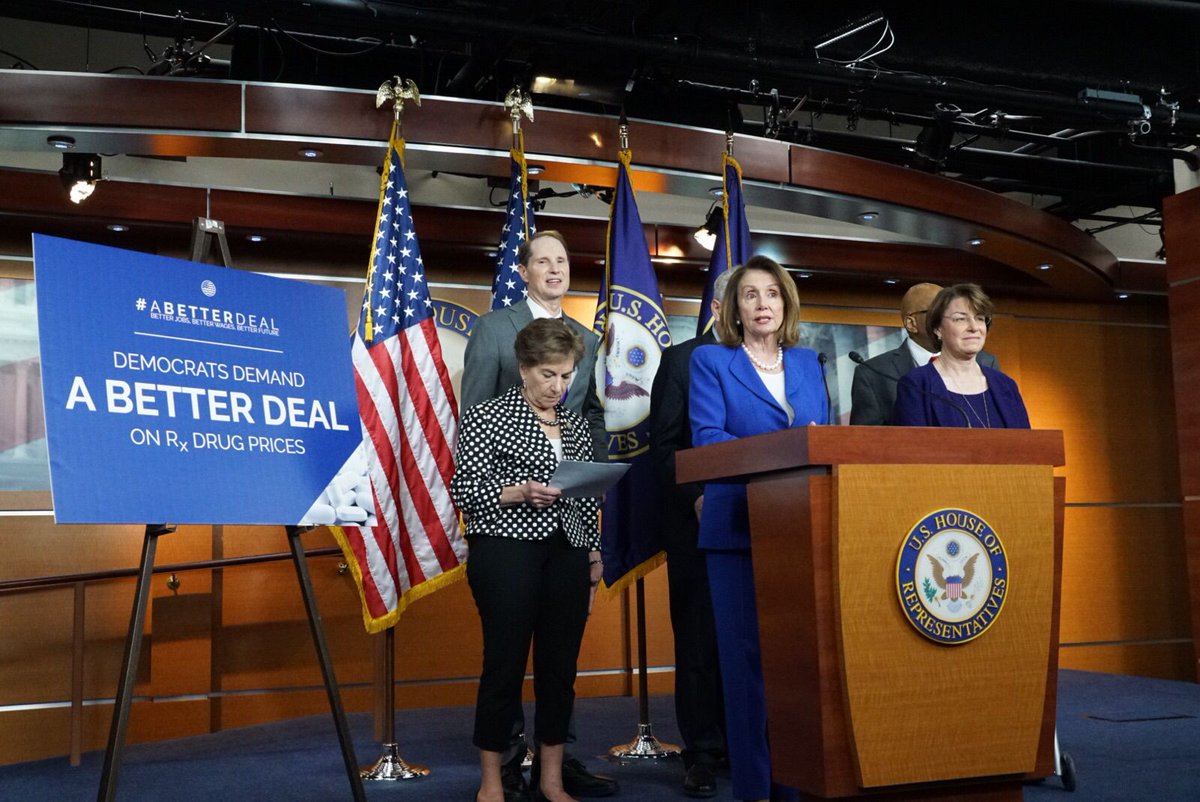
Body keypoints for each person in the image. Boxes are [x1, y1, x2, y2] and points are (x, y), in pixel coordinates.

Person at [460, 230, 615, 800]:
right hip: (506, 548)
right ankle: (496, 779)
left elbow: (587, 471)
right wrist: (519, 491)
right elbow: (466, 481)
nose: (559, 385)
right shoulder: (491, 389)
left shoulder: (577, 401)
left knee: (559, 670)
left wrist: (593, 551)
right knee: (503, 666)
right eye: (549, 375)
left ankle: (552, 777)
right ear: (524, 368)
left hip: (567, 550)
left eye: (565, 376)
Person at [689, 256, 829, 802]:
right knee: (745, 665)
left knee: (796, 664)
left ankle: (793, 786)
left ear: (786, 303)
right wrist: (788, 448)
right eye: (750, 295)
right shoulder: (711, 360)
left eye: (772, 293)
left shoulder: (808, 362)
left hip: (801, 526)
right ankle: (752, 789)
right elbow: (708, 436)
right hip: (737, 527)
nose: (763, 304)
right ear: (734, 309)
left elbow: (822, 437)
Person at [648, 270, 731, 799]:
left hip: (765, 521)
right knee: (700, 642)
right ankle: (700, 752)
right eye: (744, 297)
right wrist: (697, 497)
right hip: (697, 522)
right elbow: (664, 446)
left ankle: (744, 742)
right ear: (719, 307)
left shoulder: (767, 361)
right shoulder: (683, 359)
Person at [849, 282, 998, 425]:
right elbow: (866, 437)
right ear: (911, 324)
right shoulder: (873, 373)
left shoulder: (985, 362)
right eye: (937, 311)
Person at [893, 283, 1029, 428]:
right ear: (938, 329)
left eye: (980, 318)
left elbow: (1026, 440)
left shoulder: (1006, 385)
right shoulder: (916, 384)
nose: (974, 327)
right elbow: (911, 442)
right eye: (960, 319)